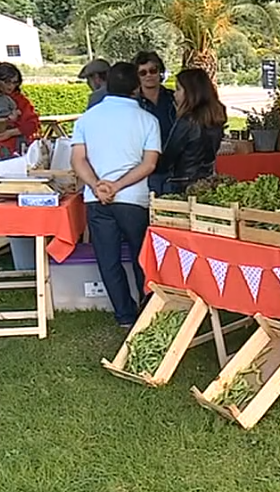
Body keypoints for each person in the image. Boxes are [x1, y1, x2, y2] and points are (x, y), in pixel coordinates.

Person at [70, 62, 161, 328]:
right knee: (141, 257)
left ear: (107, 84)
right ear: (136, 87)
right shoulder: (148, 120)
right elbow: (149, 165)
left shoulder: (87, 118)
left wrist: (98, 185)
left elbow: (78, 160)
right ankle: (148, 310)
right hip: (134, 198)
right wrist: (118, 186)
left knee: (108, 259)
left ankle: (124, 314)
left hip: (96, 198)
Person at [156, 69, 227, 194]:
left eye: (178, 89)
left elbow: (167, 158)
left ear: (190, 93)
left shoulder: (187, 121)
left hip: (181, 183)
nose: (174, 94)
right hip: (206, 180)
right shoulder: (215, 117)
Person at [132, 51, 177, 194]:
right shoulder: (133, 103)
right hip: (145, 169)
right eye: (142, 73)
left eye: (153, 70)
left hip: (175, 167)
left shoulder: (174, 98)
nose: (149, 75)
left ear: (160, 72)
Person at [0, 62, 39, 158]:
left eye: (14, 82)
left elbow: (33, 125)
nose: (11, 86)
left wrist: (10, 133)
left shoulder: (20, 101)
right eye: (7, 82)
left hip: (14, 149)